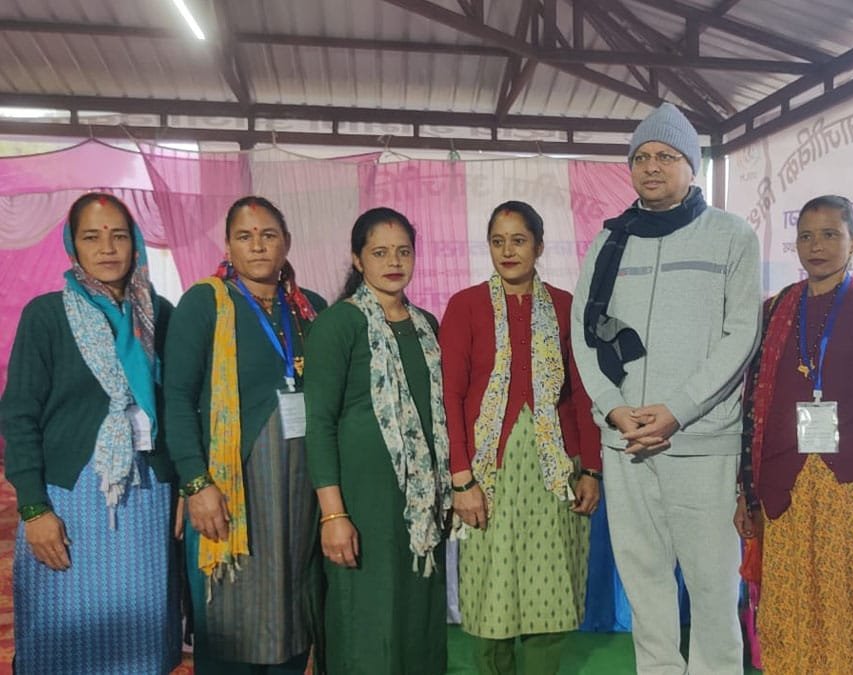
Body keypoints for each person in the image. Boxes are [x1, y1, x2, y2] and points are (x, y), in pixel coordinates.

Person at [571, 102, 761, 674]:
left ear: (691, 166)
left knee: (712, 586)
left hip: (701, 442)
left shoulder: (731, 235)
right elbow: (584, 331)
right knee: (644, 581)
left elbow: (741, 335)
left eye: (667, 156)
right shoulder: (609, 241)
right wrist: (613, 409)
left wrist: (679, 409)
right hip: (626, 440)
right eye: (642, 157)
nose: (652, 166)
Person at [1, 192, 181, 674]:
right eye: (92, 237)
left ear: (135, 243)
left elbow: (178, 406)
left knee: (140, 632)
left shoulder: (159, 314)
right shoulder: (48, 315)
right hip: (69, 495)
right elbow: (19, 415)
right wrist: (35, 508)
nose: (107, 248)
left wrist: (185, 483)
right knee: (63, 627)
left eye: (119, 235)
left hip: (148, 495)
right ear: (73, 245)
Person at [735, 195, 853, 673]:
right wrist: (746, 492)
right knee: (790, 612)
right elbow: (752, 409)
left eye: (831, 234)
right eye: (806, 236)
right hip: (783, 488)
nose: (817, 246)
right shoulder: (775, 310)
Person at [164, 196, 326, 674]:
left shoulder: (310, 309)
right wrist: (196, 483)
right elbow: (177, 398)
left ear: (286, 243)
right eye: (244, 236)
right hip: (232, 487)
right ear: (229, 245)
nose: (257, 246)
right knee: (231, 611)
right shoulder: (206, 302)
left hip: (300, 490)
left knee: (292, 605)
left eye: (268, 235)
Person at [441, 201, 602, 675]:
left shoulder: (565, 306)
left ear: (539, 246)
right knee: (490, 593)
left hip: (555, 472)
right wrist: (461, 478)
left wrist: (591, 469)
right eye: (498, 241)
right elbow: (450, 397)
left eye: (518, 240)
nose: (507, 251)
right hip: (487, 474)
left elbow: (582, 393)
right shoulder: (466, 306)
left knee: (549, 597)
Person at [304, 207, 451, 674]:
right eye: (380, 252)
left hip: (420, 506)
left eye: (403, 251)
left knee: (417, 622)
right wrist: (333, 515)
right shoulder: (339, 324)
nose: (394, 262)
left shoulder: (426, 324)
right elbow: (319, 424)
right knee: (365, 622)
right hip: (362, 506)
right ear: (357, 259)